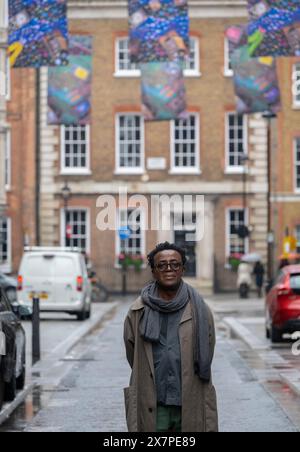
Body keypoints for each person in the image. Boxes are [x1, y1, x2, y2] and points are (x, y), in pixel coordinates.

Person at [123, 242, 218, 433]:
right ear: (153, 271)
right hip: (154, 403)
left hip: (189, 399)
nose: (169, 269)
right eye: (162, 265)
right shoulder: (137, 310)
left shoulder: (200, 309)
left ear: (183, 269)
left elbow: (208, 349)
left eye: (175, 264)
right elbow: (132, 353)